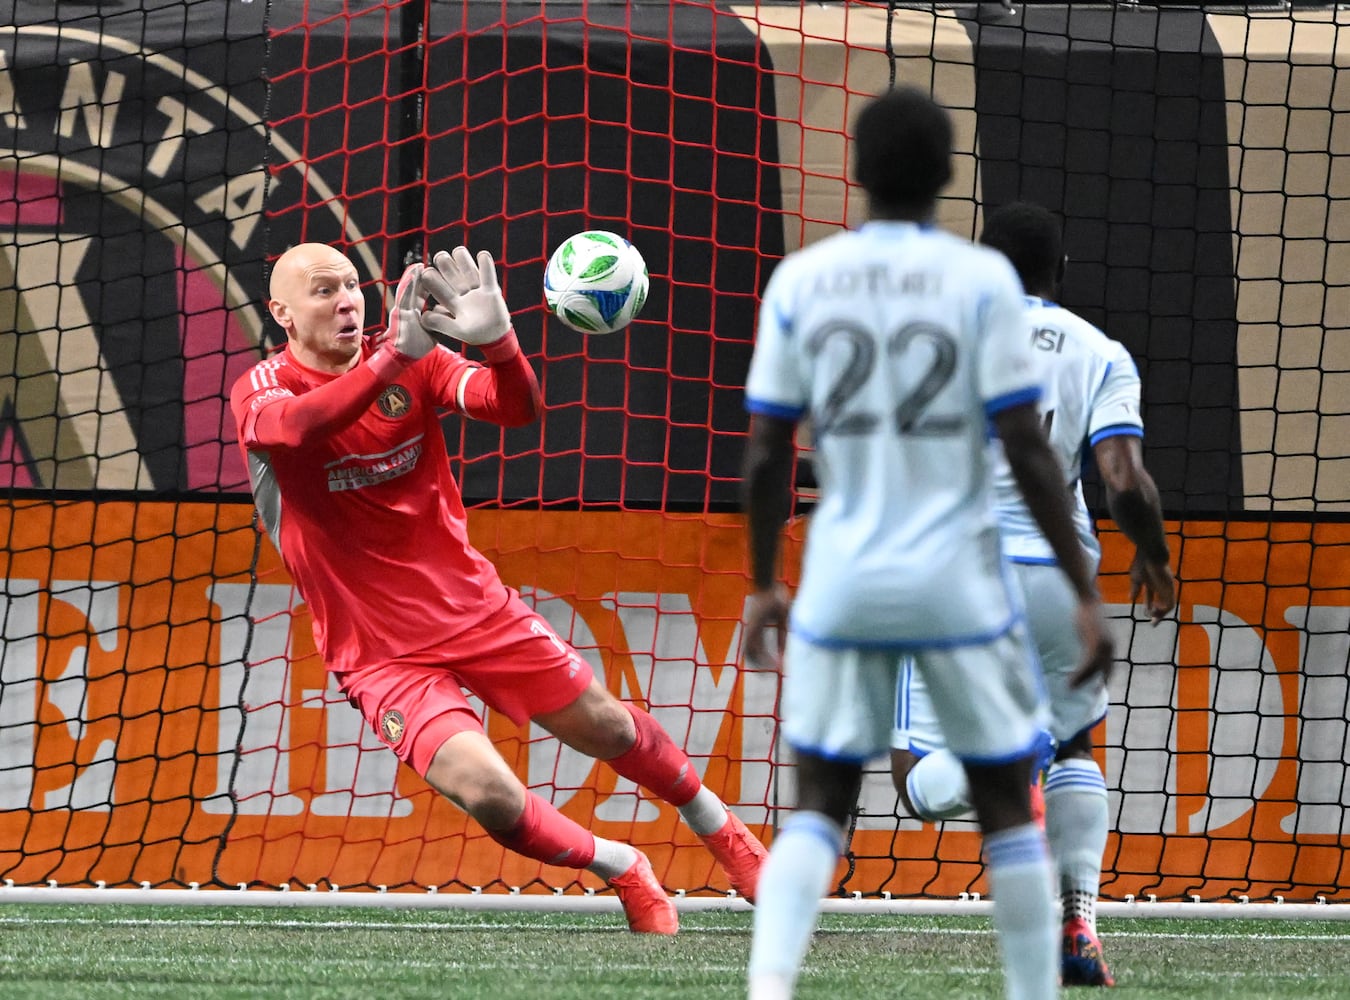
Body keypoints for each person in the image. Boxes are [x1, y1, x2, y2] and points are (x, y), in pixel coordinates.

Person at [229, 241, 766, 935]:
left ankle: (721, 831)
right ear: (282, 314)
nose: (346, 301)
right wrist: (395, 355)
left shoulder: (414, 359)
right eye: (324, 291)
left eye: (352, 287)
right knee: (490, 798)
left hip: (474, 610)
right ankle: (622, 865)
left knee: (606, 726)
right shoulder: (263, 387)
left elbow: (514, 409)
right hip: (378, 653)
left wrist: (501, 345)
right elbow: (301, 430)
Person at [740, 86, 1114, 1000]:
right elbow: (1027, 448)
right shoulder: (981, 282)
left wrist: (762, 586)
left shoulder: (801, 281)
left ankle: (769, 988)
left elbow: (764, 454)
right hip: (957, 579)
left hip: (842, 574)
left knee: (823, 806)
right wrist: (1082, 586)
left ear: (857, 174)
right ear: (948, 178)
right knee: (1003, 810)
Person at [890, 201, 1177, 987]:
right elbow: (1124, 479)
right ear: (1063, 273)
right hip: (1058, 575)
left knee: (915, 776)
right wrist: (1151, 556)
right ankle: (1079, 915)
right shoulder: (1099, 351)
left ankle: (1009, 765)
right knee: (1077, 745)